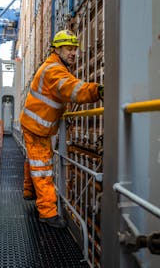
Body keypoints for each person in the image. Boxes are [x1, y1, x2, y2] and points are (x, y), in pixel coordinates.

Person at [20, 29, 104, 228]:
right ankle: (47, 213)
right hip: (37, 127)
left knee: (35, 161)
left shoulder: (55, 66)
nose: (73, 53)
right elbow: (72, 89)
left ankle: (29, 191)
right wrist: (97, 90)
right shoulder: (54, 70)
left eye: (75, 49)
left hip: (37, 125)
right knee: (43, 169)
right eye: (68, 49)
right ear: (57, 50)